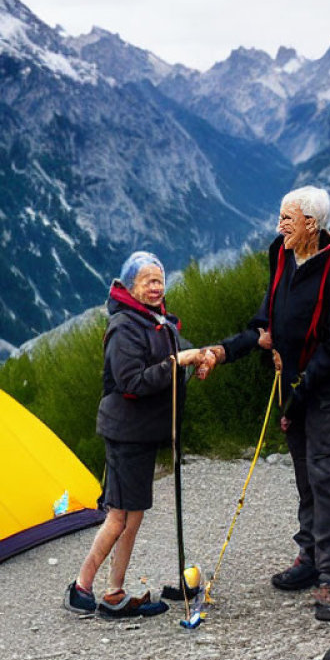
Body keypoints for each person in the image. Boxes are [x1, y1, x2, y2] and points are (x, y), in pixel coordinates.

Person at [208, 186, 330, 622]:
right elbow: (269, 316)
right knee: (305, 472)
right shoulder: (281, 254)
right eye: (280, 218)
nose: (279, 227)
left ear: (312, 225)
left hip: (328, 389)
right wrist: (227, 350)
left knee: (327, 474)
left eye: (288, 220)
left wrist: (303, 389)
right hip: (292, 383)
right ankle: (311, 556)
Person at [64, 251, 215, 618]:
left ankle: (100, 591)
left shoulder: (158, 321)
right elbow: (131, 382)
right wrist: (177, 362)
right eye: (147, 280)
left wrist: (199, 358)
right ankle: (94, 590)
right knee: (121, 515)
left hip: (140, 432)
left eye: (159, 279)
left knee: (130, 515)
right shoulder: (125, 327)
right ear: (130, 285)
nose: (155, 285)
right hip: (126, 432)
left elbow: (176, 357)